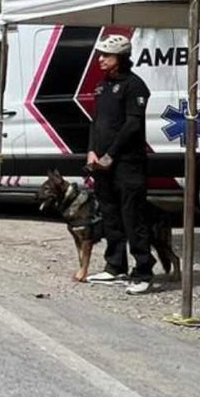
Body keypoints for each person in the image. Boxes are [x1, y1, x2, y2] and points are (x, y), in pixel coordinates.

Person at [83, 34, 155, 295]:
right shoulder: (102, 85)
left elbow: (132, 125)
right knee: (110, 215)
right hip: (102, 164)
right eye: (100, 54)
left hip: (127, 163)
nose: (101, 59)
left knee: (132, 217)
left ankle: (144, 271)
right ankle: (115, 266)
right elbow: (96, 121)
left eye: (106, 55)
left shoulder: (135, 86)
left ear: (121, 58)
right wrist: (92, 150)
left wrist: (111, 154)